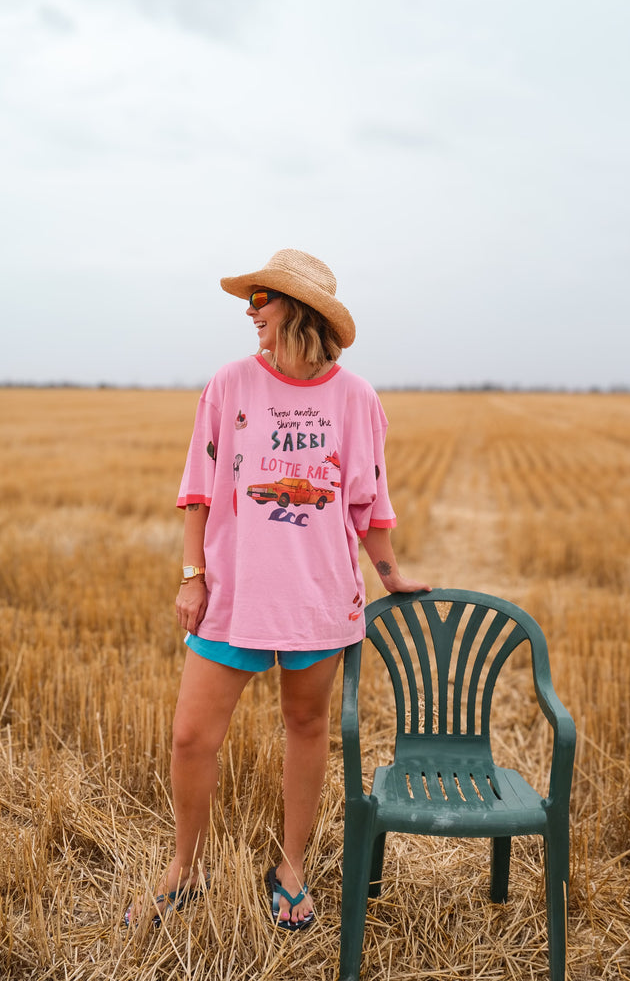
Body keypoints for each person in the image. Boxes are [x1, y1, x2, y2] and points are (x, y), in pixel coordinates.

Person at [126, 248, 430, 931]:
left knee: (306, 726)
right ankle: (185, 867)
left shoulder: (356, 398)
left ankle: (290, 868)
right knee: (190, 739)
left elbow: (367, 500)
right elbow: (200, 489)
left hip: (319, 598)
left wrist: (388, 573)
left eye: (260, 299)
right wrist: (192, 574)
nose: (249, 311)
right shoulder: (230, 385)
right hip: (233, 597)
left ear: (295, 308)